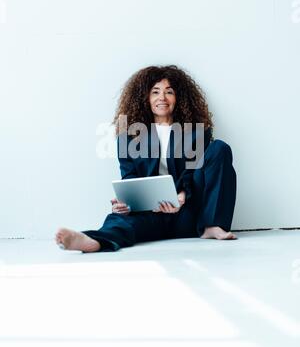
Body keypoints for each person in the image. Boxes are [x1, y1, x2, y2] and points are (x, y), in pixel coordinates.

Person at [55, 65, 237, 253]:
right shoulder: (129, 136)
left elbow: (194, 173)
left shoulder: (195, 131)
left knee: (219, 148)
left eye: (169, 92)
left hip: (188, 216)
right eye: (155, 92)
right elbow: (130, 177)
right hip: (150, 215)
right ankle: (95, 241)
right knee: (121, 219)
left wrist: (182, 197)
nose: (162, 98)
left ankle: (213, 226)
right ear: (145, 98)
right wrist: (125, 203)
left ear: (179, 98)